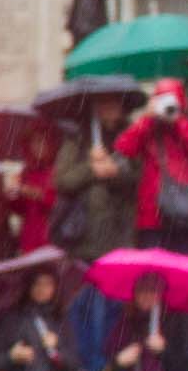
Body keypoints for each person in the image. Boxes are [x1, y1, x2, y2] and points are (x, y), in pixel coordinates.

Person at [113, 78, 188, 253]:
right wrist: (146, 119)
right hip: (152, 216)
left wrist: (178, 122)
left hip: (187, 214)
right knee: (153, 273)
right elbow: (123, 147)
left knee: (184, 274)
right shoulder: (148, 129)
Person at [51, 90, 138, 263]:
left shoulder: (132, 135)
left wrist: (115, 173)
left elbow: (139, 177)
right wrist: (91, 168)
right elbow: (62, 180)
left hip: (121, 231)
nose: (110, 109)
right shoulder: (78, 137)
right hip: (86, 233)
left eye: (114, 103)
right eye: (103, 103)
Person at [11, 126, 59, 253]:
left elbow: (60, 204)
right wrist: (14, 195)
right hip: (29, 239)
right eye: (33, 143)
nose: (38, 147)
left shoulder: (58, 170)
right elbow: (21, 209)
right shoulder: (26, 172)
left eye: (41, 141)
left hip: (52, 237)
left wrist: (38, 195)